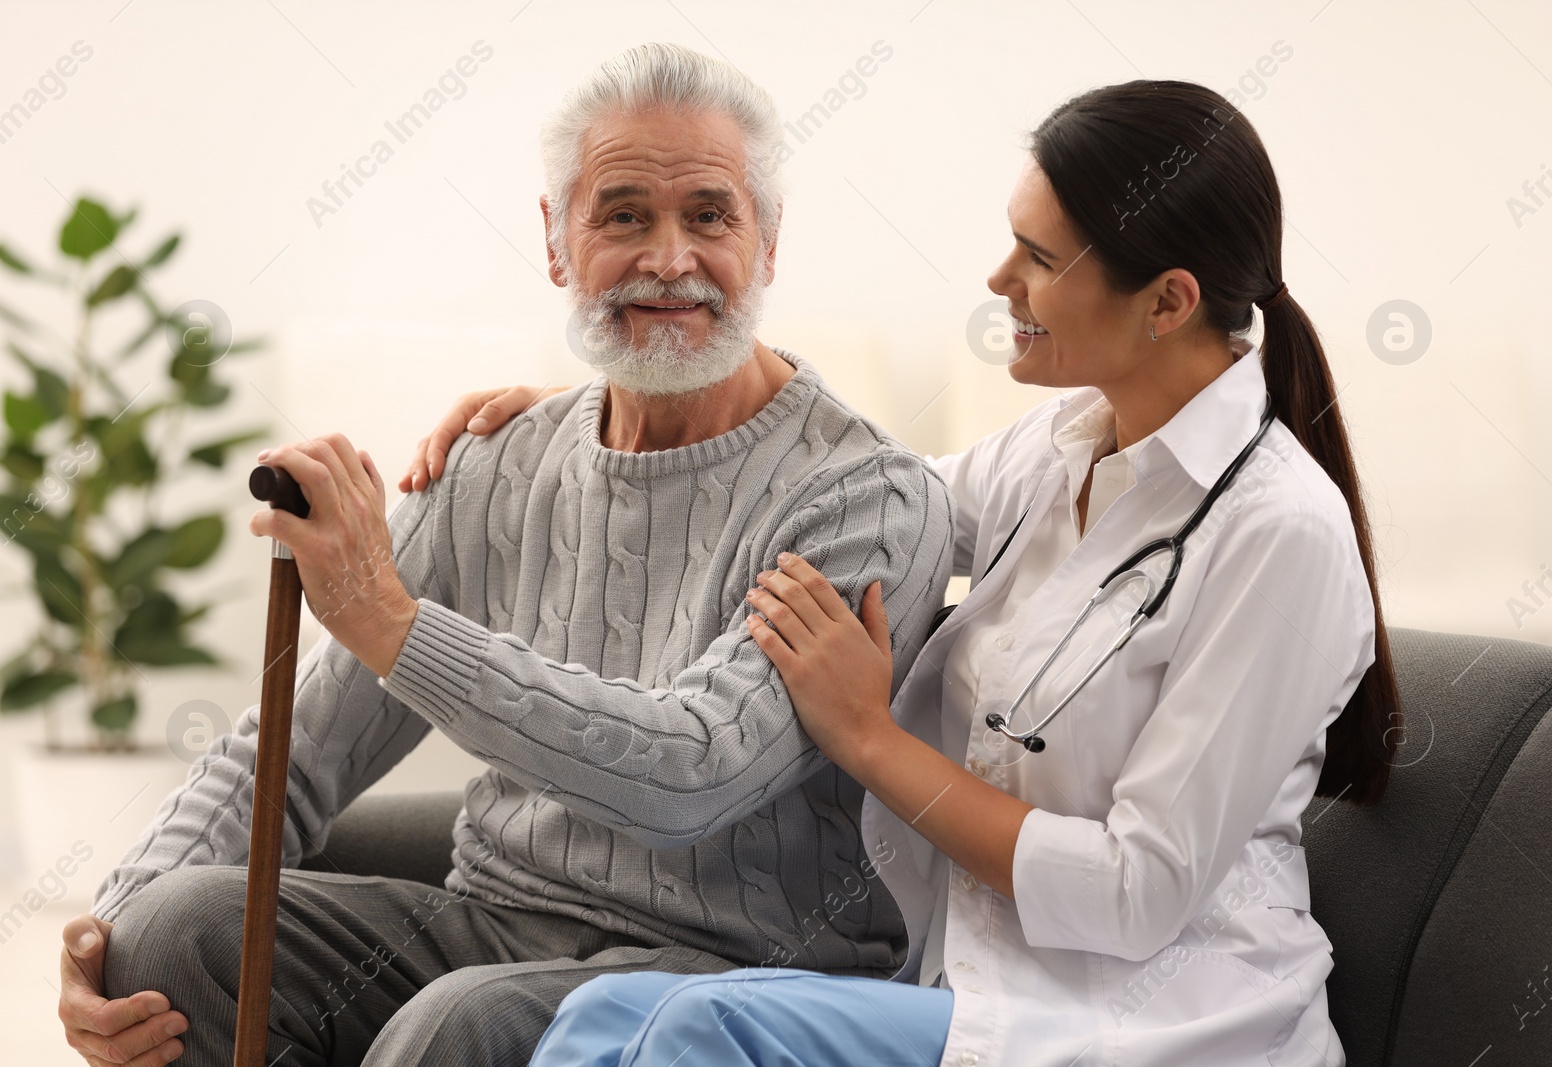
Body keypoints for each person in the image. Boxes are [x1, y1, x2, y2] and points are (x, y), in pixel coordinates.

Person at [418, 80, 1400, 1066]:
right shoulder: (1058, 449)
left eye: (1041, 258)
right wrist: (640, 391)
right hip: (970, 989)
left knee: (700, 1026)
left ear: (1168, 301)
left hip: (1154, 1027)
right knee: (601, 1015)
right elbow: (839, 495)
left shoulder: (1279, 534)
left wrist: (866, 738)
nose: (998, 278)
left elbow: (1134, 890)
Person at [57, 44, 953, 1067]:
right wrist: (103, 934)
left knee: (459, 1021)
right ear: (556, 241)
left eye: (709, 215)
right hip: (499, 913)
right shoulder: (497, 462)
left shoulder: (859, 493)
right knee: (174, 934)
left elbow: (692, 773)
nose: (669, 257)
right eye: (622, 215)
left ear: (770, 240)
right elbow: (305, 745)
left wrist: (393, 620)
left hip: (734, 965)